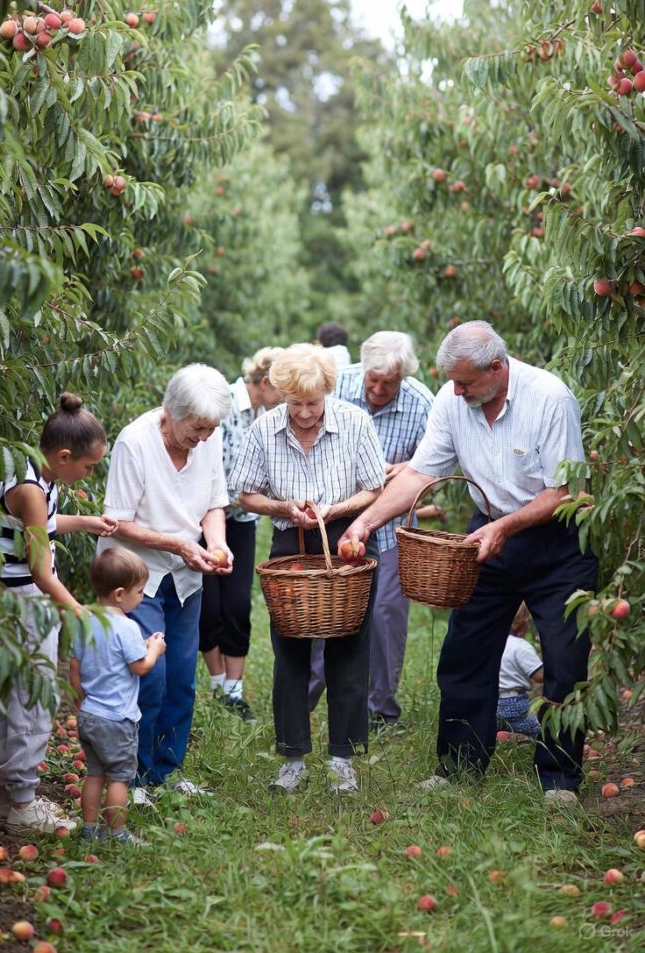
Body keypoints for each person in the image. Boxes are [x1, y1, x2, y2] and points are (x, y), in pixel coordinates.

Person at [341, 320, 598, 804]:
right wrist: (366, 523)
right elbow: (419, 473)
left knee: (566, 661)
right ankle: (459, 765)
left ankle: (560, 778)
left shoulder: (550, 398)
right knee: (464, 652)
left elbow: (565, 492)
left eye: (466, 383)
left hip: (558, 541)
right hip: (489, 531)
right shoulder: (451, 400)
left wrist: (505, 527)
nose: (456, 392)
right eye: (453, 382)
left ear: (498, 368)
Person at [228, 343, 385, 794]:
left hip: (346, 542)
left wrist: (336, 508)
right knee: (290, 653)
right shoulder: (266, 427)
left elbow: (375, 488)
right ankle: (292, 757)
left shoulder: (354, 423)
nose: (302, 413)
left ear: (327, 394)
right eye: (294, 403)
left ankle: (343, 760)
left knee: (350, 652)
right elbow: (246, 494)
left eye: (312, 404)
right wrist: (282, 506)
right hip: (290, 543)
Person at [0, 393, 118, 835]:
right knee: (34, 697)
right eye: (88, 466)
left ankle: (2, 799)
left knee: (13, 697)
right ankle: (23, 803)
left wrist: (87, 521)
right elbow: (42, 572)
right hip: (25, 606)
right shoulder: (31, 490)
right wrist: (80, 612)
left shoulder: (33, 475)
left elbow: (40, 524)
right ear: (63, 456)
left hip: (11, 604)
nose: (88, 472)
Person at [98, 364, 232, 805]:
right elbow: (118, 522)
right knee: (148, 675)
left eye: (211, 429)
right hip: (137, 574)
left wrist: (216, 543)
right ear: (171, 411)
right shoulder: (135, 442)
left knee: (180, 678)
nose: (205, 437)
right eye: (197, 428)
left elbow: (214, 503)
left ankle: (166, 771)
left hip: (185, 572)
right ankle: (131, 775)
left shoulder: (207, 440)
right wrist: (177, 544)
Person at [308, 331, 441, 730]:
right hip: (335, 517)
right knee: (324, 604)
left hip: (391, 525)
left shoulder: (422, 404)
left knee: (386, 612)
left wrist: (404, 470)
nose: (380, 389)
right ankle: (310, 693)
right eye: (374, 381)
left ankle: (380, 707)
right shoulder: (336, 388)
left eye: (390, 383)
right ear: (363, 371)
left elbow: (437, 465)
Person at [199, 346, 284, 722]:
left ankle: (234, 690)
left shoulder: (269, 416)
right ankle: (218, 684)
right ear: (265, 383)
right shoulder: (225, 405)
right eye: (284, 390)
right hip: (206, 516)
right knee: (208, 606)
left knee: (236, 604)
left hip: (243, 520)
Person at [71, 548, 166, 845]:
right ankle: (117, 833)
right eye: (139, 592)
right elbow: (140, 667)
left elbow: (74, 667)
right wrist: (154, 649)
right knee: (119, 779)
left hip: (89, 715)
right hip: (117, 719)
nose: (141, 598)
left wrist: (80, 699)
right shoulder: (127, 627)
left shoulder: (84, 621)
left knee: (94, 775)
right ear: (120, 594)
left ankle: (88, 830)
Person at [497, 603, 543, 737]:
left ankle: (498, 735)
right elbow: (539, 676)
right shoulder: (520, 646)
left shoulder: (490, 643)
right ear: (523, 624)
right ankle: (520, 737)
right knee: (536, 731)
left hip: (491, 701)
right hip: (516, 704)